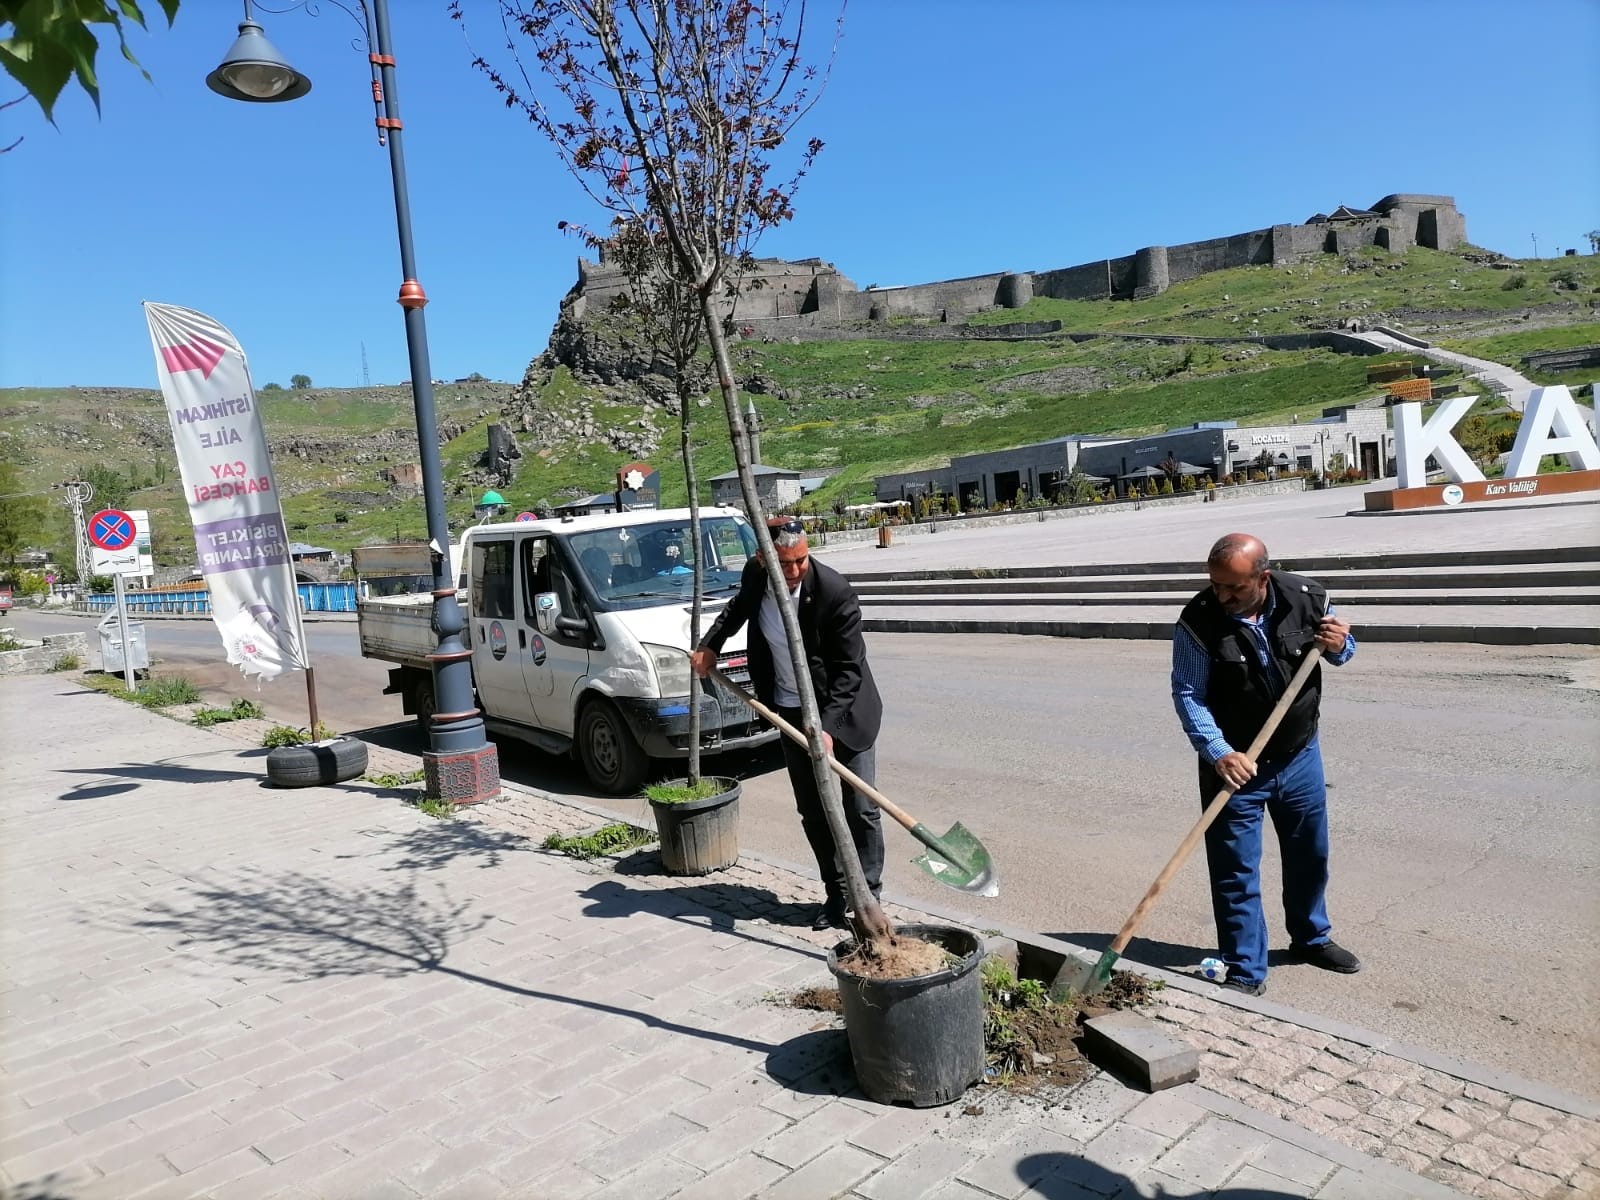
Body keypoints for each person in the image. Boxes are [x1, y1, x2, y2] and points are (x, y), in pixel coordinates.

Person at [1170, 532, 1360, 997]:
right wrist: (1219, 752)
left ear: (1263, 577)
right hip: (1235, 767)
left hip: (1299, 755)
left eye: (1234, 587)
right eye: (1216, 585)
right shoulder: (1198, 622)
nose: (1223, 596)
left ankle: (1311, 938)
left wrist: (1341, 645)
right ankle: (1244, 968)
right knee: (1235, 871)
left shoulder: (1307, 598)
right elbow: (1189, 695)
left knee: (1309, 855)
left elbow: (1340, 653)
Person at [690, 516, 884, 931]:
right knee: (813, 810)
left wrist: (826, 728)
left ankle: (868, 896)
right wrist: (710, 647)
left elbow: (849, 671)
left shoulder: (834, 592)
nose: (794, 571)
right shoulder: (757, 576)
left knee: (861, 808)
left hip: (844, 714)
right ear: (763, 559)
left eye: (800, 561)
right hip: (789, 711)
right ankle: (836, 894)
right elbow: (736, 609)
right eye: (784, 563)